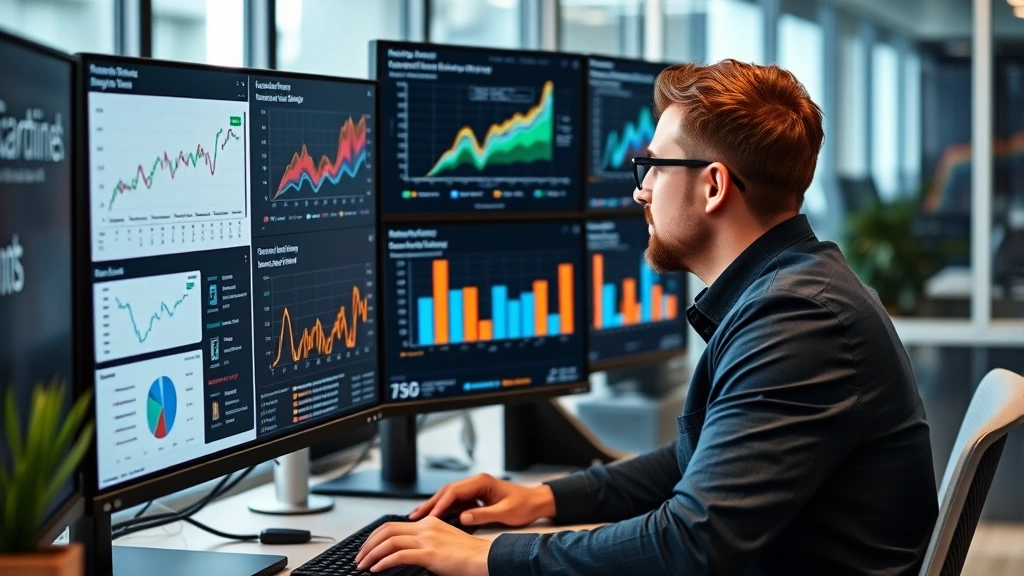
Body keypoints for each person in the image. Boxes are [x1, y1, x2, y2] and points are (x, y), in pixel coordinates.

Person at [356, 59, 938, 576]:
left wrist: (486, 557)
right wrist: (544, 499)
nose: (642, 191)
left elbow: (689, 545)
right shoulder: (793, 288)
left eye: (655, 166)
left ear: (713, 186)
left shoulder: (798, 319)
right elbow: (704, 460)